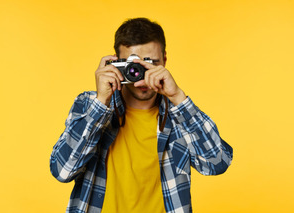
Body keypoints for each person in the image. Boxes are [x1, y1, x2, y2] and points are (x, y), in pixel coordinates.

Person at [50, 17, 233, 213]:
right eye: (133, 64)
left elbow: (217, 164)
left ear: (164, 60)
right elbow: (63, 170)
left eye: (151, 63)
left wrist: (178, 97)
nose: (141, 73)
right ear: (115, 62)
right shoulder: (90, 104)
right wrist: (101, 102)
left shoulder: (180, 113)